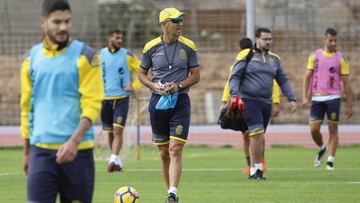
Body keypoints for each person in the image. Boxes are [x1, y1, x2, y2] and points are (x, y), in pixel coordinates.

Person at [20, 0, 104, 202]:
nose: (63, 27)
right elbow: (26, 109)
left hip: (78, 153)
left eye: (67, 21)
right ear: (43, 22)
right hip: (40, 153)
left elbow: (92, 106)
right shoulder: (30, 59)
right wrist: (26, 152)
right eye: (57, 22)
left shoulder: (87, 56)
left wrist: (74, 142)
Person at [138, 7, 200, 203]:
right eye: (176, 20)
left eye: (181, 20)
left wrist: (179, 85)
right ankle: (170, 192)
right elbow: (141, 74)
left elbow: (196, 75)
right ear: (164, 24)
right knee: (164, 152)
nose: (180, 23)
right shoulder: (150, 47)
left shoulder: (189, 46)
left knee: (175, 148)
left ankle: (172, 193)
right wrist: (152, 85)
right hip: (157, 102)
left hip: (180, 101)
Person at [229, 27, 297, 180]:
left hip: (266, 103)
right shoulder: (246, 55)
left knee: (258, 136)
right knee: (256, 132)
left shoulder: (275, 59)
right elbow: (235, 77)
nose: (268, 42)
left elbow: (283, 79)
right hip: (248, 100)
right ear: (257, 40)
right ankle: (256, 170)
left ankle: (255, 169)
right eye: (265, 39)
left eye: (270, 39)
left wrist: (291, 98)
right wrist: (234, 95)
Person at [221, 37, 281, 174]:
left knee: (249, 135)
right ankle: (260, 163)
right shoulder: (263, 61)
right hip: (254, 102)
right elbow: (273, 82)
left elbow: (229, 83)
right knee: (257, 134)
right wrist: (276, 101)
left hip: (242, 103)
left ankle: (251, 165)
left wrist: (224, 101)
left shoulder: (239, 60)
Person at [302, 28, 352, 170]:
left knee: (333, 128)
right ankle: (322, 147)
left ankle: (330, 161)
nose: (333, 43)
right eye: (330, 40)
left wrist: (349, 104)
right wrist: (305, 96)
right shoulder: (315, 56)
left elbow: (347, 83)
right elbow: (307, 77)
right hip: (317, 98)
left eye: (335, 40)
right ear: (325, 39)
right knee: (313, 129)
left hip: (334, 97)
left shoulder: (341, 58)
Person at [100, 29, 142, 172]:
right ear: (109, 38)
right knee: (110, 132)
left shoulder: (127, 55)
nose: (120, 40)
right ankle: (117, 162)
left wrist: (134, 86)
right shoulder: (100, 55)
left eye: (121, 38)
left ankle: (112, 159)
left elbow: (142, 70)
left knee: (118, 130)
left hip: (121, 98)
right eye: (117, 37)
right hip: (104, 98)